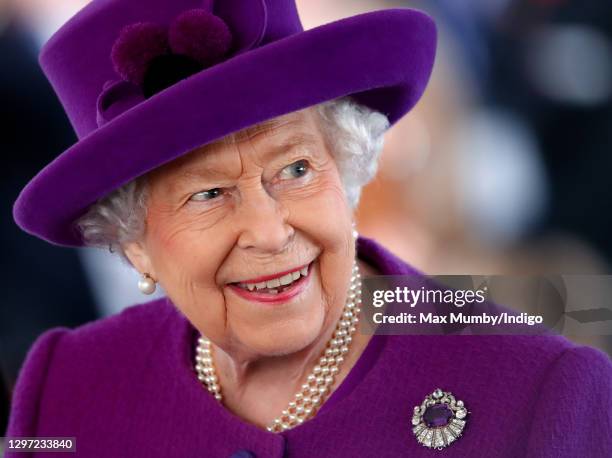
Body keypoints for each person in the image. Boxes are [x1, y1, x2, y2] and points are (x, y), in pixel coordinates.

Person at [5, 0, 612, 456]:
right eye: (209, 194)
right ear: (133, 243)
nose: (269, 232)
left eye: (296, 168)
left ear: (346, 170)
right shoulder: (63, 387)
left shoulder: (546, 390)